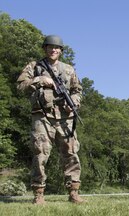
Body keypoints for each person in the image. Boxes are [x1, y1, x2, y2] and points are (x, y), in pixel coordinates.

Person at [17, 35, 85, 204]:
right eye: (50, 47)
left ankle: (73, 192)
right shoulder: (35, 66)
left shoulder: (68, 69)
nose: (53, 50)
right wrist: (39, 80)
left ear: (61, 51)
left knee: (71, 154)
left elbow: (78, 90)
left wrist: (74, 103)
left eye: (57, 48)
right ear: (45, 49)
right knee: (40, 154)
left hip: (65, 118)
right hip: (42, 116)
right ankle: (38, 193)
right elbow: (20, 86)